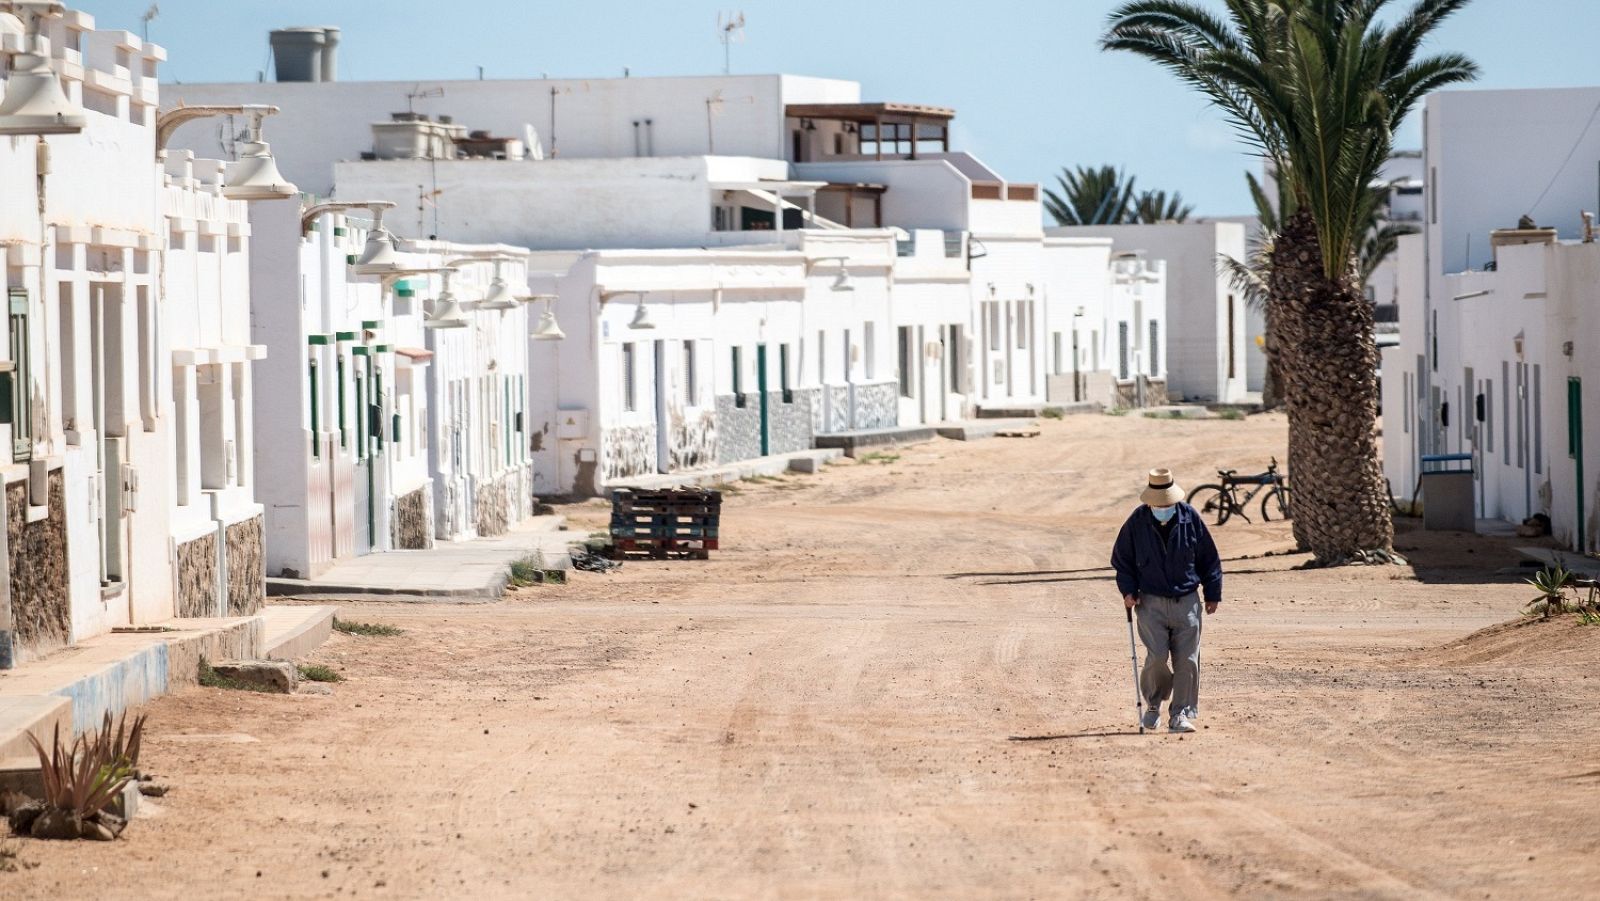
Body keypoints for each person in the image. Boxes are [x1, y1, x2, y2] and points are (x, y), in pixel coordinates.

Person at [1110, 468, 1222, 734]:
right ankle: (1154, 702)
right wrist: (1128, 591)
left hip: (1187, 601)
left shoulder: (1190, 518)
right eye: (1158, 505)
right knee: (1158, 656)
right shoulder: (1137, 522)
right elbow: (1122, 561)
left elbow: (1209, 557)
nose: (1163, 508)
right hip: (1150, 602)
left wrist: (1213, 592)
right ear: (1149, 502)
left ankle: (1180, 713)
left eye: (1167, 504)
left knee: (1187, 660)